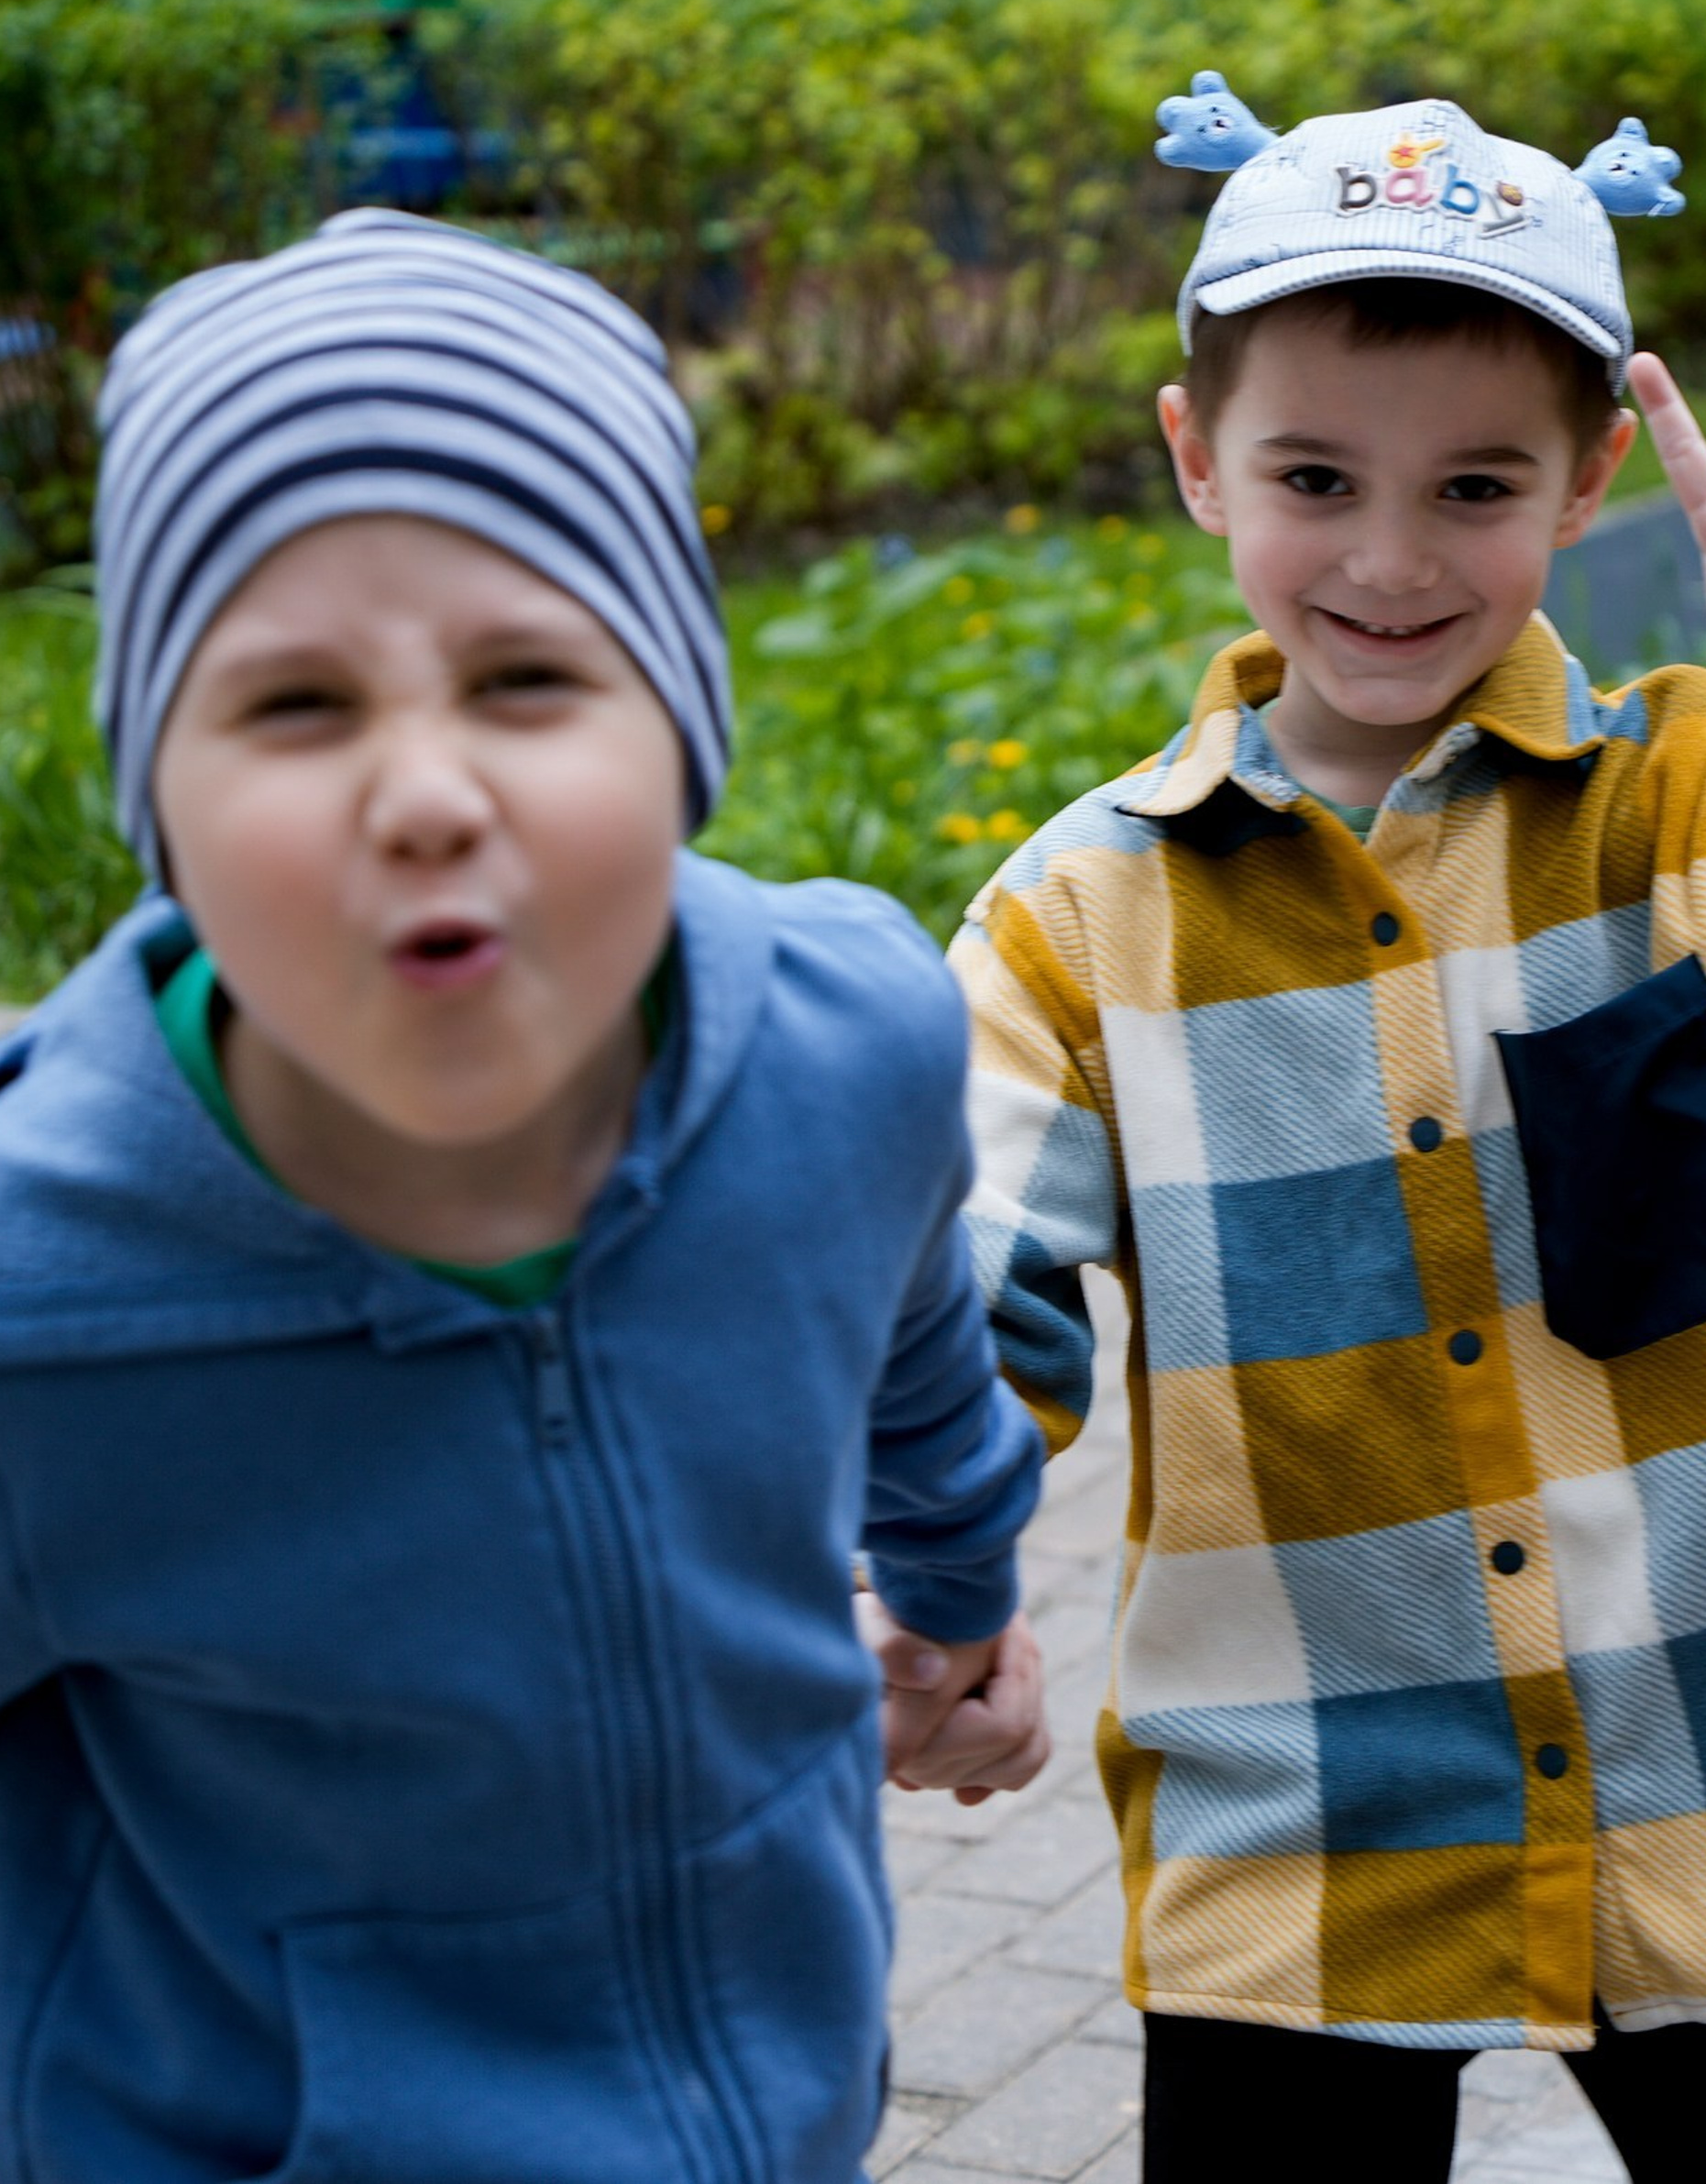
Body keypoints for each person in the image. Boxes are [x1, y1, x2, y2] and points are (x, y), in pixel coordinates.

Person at [941, 91, 1706, 2178]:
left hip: (1705, 1778)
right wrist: (907, 1570)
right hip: (1290, 1823)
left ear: (1582, 482)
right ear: (1194, 454)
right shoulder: (1074, 916)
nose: (1390, 559)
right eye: (1313, 476)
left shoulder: (1701, 811)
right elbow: (970, 1295)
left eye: (1471, 485)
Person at [0, 209, 1048, 2184]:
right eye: (296, 705)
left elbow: (914, 1335)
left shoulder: (854, 1039)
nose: (421, 789)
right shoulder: (46, 1300)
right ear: (160, 796)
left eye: (526, 675)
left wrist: (963, 1587)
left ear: (681, 727)